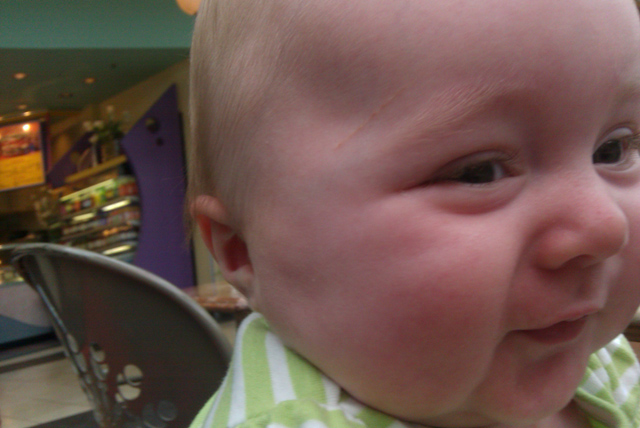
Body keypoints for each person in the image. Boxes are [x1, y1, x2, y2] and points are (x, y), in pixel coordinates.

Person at [187, 0, 640, 427]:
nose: (604, 226)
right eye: (478, 173)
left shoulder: (588, 348)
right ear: (245, 248)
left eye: (612, 149)